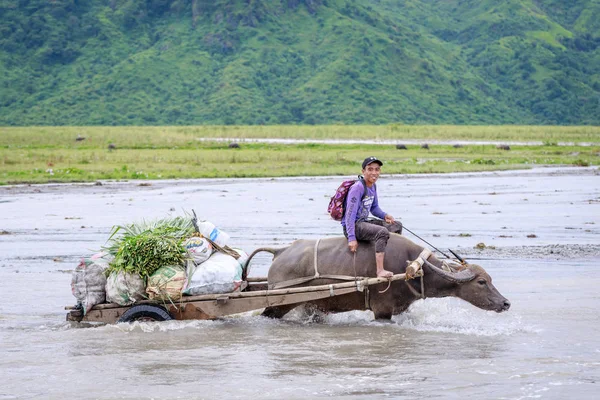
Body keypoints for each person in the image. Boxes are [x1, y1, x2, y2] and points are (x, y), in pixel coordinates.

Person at [342, 156, 402, 278]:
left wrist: (385, 216)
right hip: (354, 225)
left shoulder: (373, 186)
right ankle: (379, 270)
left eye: (377, 169)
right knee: (382, 232)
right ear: (363, 171)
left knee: (396, 226)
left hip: (364, 222)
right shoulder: (358, 188)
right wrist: (351, 238)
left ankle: (389, 258)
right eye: (370, 169)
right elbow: (349, 215)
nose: (374, 173)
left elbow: (374, 208)